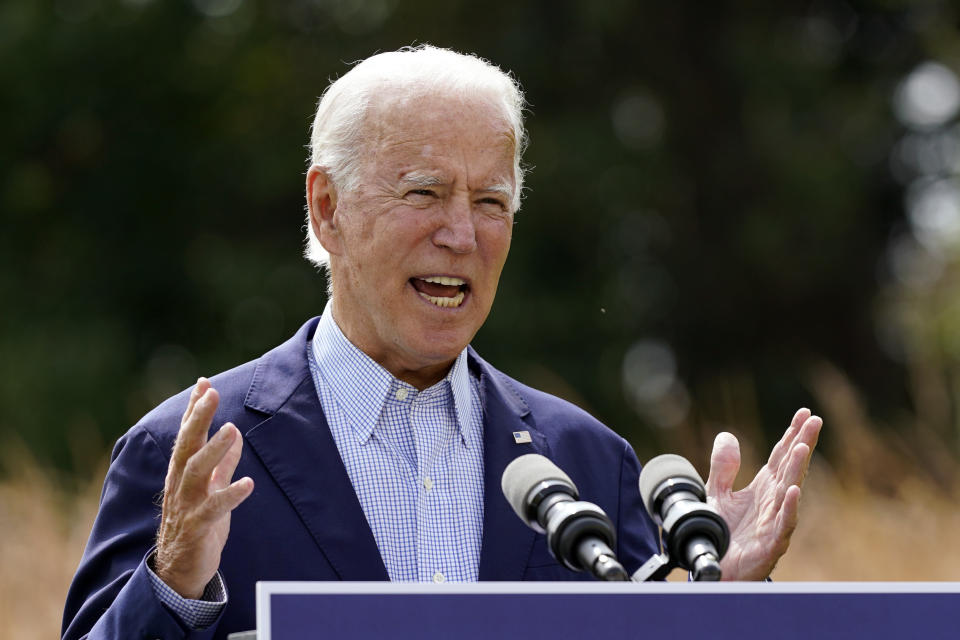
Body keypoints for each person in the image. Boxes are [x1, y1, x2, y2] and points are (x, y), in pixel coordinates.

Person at [62, 45, 822, 640]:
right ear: (327, 208)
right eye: (424, 192)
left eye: (491, 201)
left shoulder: (588, 461)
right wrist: (170, 588)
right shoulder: (190, 454)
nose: (461, 234)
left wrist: (726, 600)